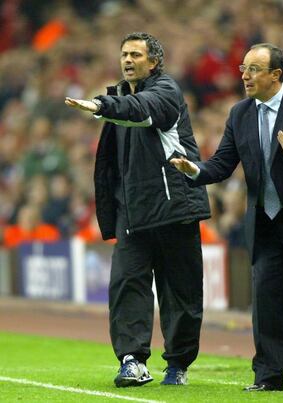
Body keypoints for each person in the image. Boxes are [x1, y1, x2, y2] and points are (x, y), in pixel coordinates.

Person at [171, 43, 283, 392]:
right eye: (244, 68)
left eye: (254, 69)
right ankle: (268, 377)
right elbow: (223, 164)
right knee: (268, 301)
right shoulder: (239, 113)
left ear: (276, 75)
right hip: (266, 221)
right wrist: (195, 169)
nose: (245, 75)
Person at [65, 32, 210, 387]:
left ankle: (178, 364)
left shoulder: (165, 93)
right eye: (124, 54)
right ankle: (132, 361)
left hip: (174, 208)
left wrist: (101, 106)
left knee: (181, 292)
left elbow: (142, 111)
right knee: (126, 285)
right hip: (132, 210)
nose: (127, 60)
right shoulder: (119, 97)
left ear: (153, 62)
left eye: (135, 54)